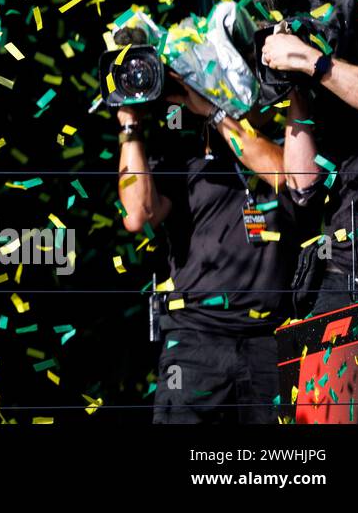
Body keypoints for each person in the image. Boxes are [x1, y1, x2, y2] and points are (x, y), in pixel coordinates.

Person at [113, 24, 299, 423]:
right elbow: (136, 215)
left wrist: (216, 113)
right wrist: (131, 124)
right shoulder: (179, 151)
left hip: (270, 339)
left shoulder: (283, 139)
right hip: (194, 341)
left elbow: (289, 177)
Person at [257, 0, 358, 312]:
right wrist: (297, 86)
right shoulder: (322, 82)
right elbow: (303, 184)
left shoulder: (339, 58)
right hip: (351, 270)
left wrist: (316, 62)